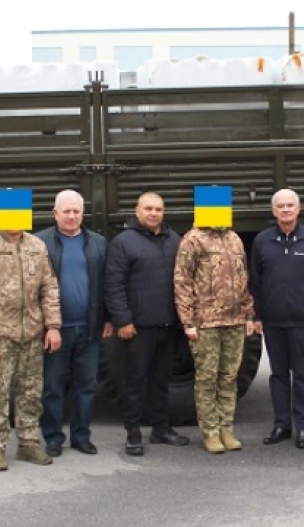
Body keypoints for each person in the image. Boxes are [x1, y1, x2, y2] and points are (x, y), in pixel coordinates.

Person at [0, 227, 62, 471]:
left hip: (31, 334)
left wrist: (52, 325)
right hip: (0, 336)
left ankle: (28, 443)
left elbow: (49, 287)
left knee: (30, 393)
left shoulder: (37, 246)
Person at [104, 191, 190, 456]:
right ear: (137, 211)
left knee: (161, 381)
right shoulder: (123, 242)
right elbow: (113, 284)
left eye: (159, 209)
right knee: (134, 382)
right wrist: (123, 320)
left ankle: (160, 429)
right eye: (148, 209)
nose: (153, 214)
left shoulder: (174, 240)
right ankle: (133, 434)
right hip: (137, 328)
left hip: (167, 325)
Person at [249, 189, 304, 449]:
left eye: (290, 205)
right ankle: (281, 424)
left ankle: (303, 427)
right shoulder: (262, 241)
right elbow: (255, 282)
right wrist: (257, 316)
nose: (285, 210)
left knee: (302, 375)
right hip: (272, 322)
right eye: (280, 206)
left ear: (298, 209)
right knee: (278, 375)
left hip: (302, 321)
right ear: (273, 211)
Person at [174, 202, 255, 454]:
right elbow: (182, 281)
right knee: (207, 378)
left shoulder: (234, 239)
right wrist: (188, 321)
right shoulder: (192, 240)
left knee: (229, 378)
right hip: (206, 322)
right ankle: (210, 432)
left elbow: (243, 279)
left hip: (234, 321)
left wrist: (248, 314)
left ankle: (226, 429)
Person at [36, 190, 111, 458]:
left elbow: (107, 285)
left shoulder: (98, 243)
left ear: (83, 214)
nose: (71, 216)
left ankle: (81, 436)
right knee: (53, 387)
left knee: (86, 386)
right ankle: (53, 437)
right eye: (66, 211)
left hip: (89, 328)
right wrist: (46, 325)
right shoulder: (40, 243)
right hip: (55, 330)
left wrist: (108, 318)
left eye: (76, 211)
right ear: (55, 213)